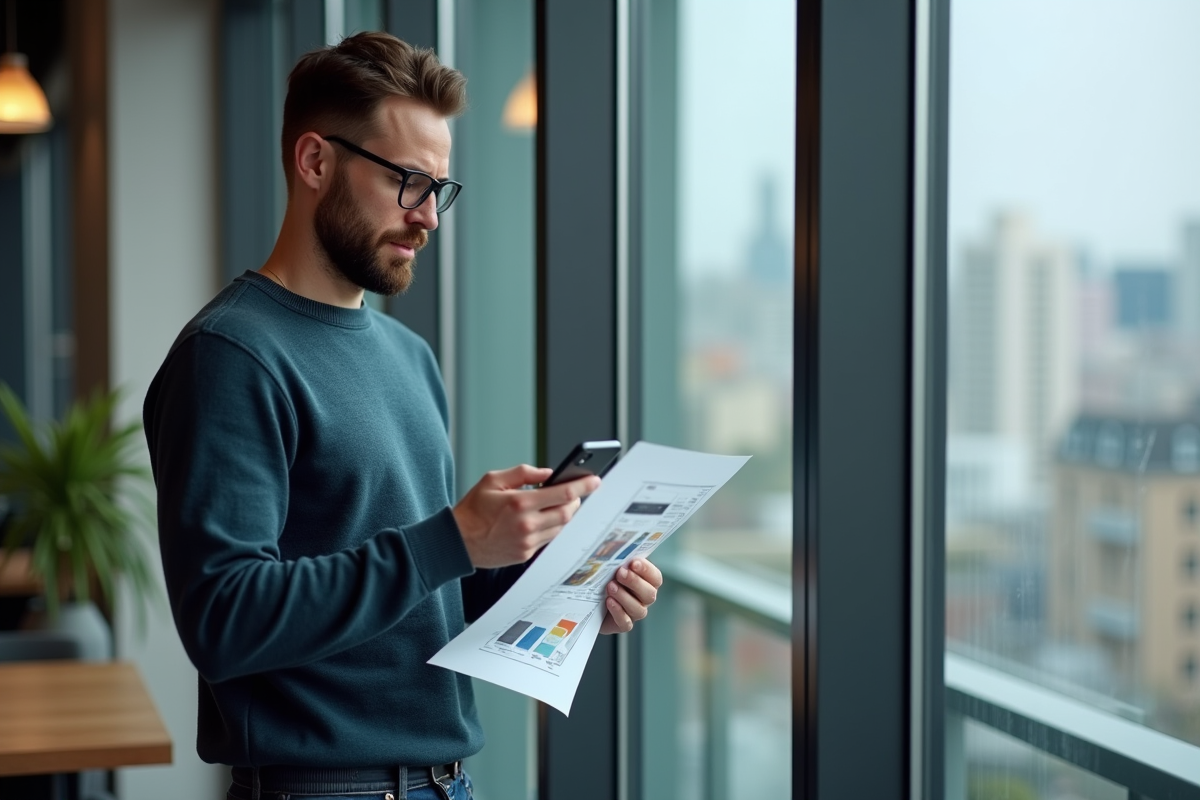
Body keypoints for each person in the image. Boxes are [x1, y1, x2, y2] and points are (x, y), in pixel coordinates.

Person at [143, 31, 662, 800]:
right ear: (315, 161)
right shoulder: (231, 356)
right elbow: (224, 620)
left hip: (447, 782)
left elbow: (422, 597)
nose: (429, 219)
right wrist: (450, 538)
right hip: (324, 789)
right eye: (408, 183)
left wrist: (565, 584)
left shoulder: (407, 355)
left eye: (440, 190)